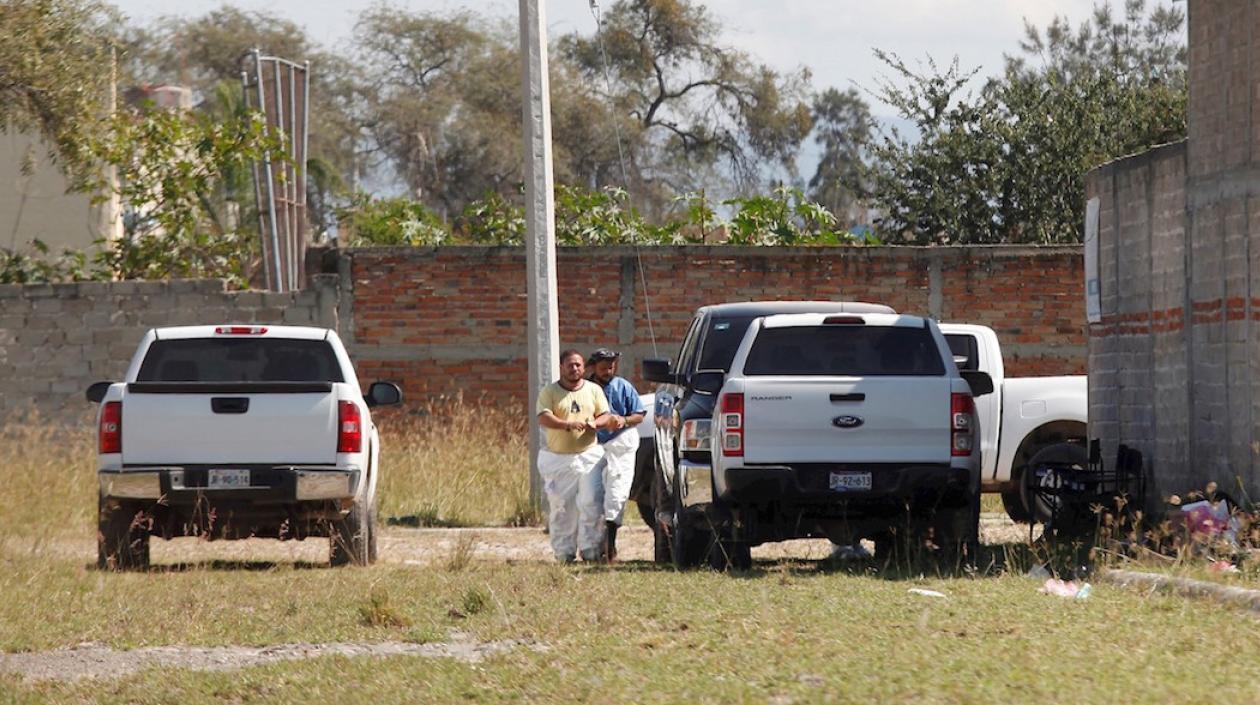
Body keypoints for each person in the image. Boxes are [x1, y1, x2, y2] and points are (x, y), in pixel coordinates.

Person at [536, 349, 614, 562]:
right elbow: (543, 418)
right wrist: (566, 425)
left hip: (589, 456)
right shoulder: (549, 392)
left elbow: (605, 415)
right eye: (570, 365)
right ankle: (564, 553)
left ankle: (591, 550)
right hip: (559, 459)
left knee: (591, 502)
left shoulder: (593, 390)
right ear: (562, 367)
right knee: (563, 508)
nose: (574, 369)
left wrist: (594, 424)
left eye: (578, 365)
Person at [587, 348, 646, 562]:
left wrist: (625, 420)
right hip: (592, 445)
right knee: (591, 495)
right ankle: (590, 546)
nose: (608, 370)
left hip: (620, 443)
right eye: (603, 367)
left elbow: (639, 414)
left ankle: (610, 545)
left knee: (616, 492)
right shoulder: (585, 389)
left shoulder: (623, 386)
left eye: (611, 366)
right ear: (593, 367)